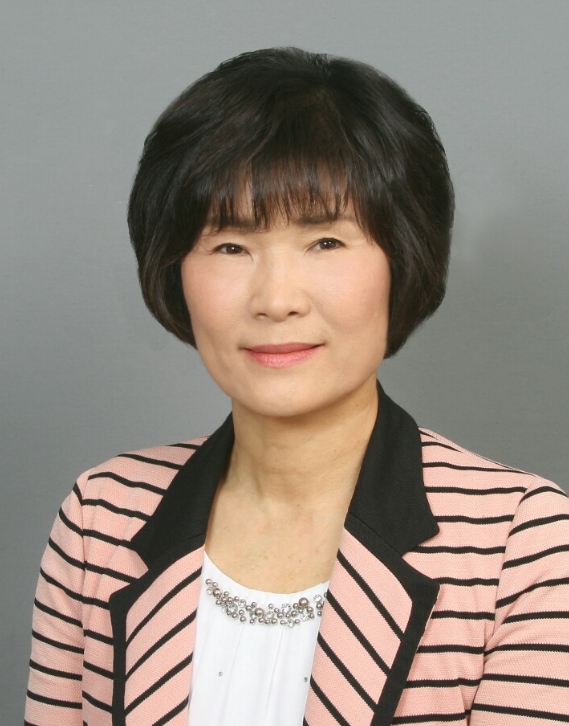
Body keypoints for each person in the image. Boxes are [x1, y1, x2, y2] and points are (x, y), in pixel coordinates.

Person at [25, 47, 569, 726]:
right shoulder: (102, 519)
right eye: (230, 246)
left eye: (325, 242)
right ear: (174, 270)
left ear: (403, 260)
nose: (276, 300)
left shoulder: (522, 545)